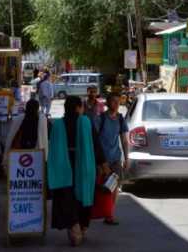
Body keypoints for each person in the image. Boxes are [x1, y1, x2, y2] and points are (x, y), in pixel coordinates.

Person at [48, 96, 103, 246]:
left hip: (63, 166)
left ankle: (74, 227)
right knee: (83, 196)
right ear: (78, 107)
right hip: (83, 165)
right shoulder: (85, 122)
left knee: (67, 197)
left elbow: (51, 146)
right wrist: (102, 162)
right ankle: (81, 228)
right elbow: (95, 144)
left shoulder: (58, 124)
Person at [94, 92, 129, 225]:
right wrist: (99, 161)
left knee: (114, 187)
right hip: (102, 160)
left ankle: (109, 215)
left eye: (118, 101)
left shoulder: (120, 119)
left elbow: (124, 141)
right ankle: (98, 211)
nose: (116, 104)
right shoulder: (101, 118)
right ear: (107, 103)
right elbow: (95, 140)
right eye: (113, 101)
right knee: (101, 188)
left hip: (115, 159)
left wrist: (127, 158)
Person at [4, 99, 49, 171]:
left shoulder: (18, 118)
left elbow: (11, 136)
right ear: (37, 109)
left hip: (20, 150)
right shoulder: (42, 119)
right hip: (37, 151)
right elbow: (44, 138)